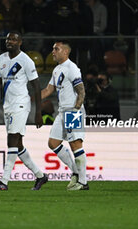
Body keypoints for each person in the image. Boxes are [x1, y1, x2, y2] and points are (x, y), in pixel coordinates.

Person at [0, 31, 47, 191]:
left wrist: (38, 112)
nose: (9, 41)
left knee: (11, 140)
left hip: (21, 104)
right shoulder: (0, 59)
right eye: (8, 39)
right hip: (8, 105)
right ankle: (40, 176)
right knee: (18, 145)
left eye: (13, 39)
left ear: (20, 42)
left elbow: (36, 87)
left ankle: (4, 182)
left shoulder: (26, 60)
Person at [41, 40, 89, 191]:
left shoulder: (71, 68)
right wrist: (30, 98)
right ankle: (75, 171)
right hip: (62, 112)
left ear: (66, 52)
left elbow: (81, 90)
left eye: (56, 49)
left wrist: (76, 109)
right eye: (53, 48)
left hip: (73, 111)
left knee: (75, 145)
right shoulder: (57, 70)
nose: (53, 52)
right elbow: (48, 90)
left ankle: (83, 182)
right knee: (53, 143)